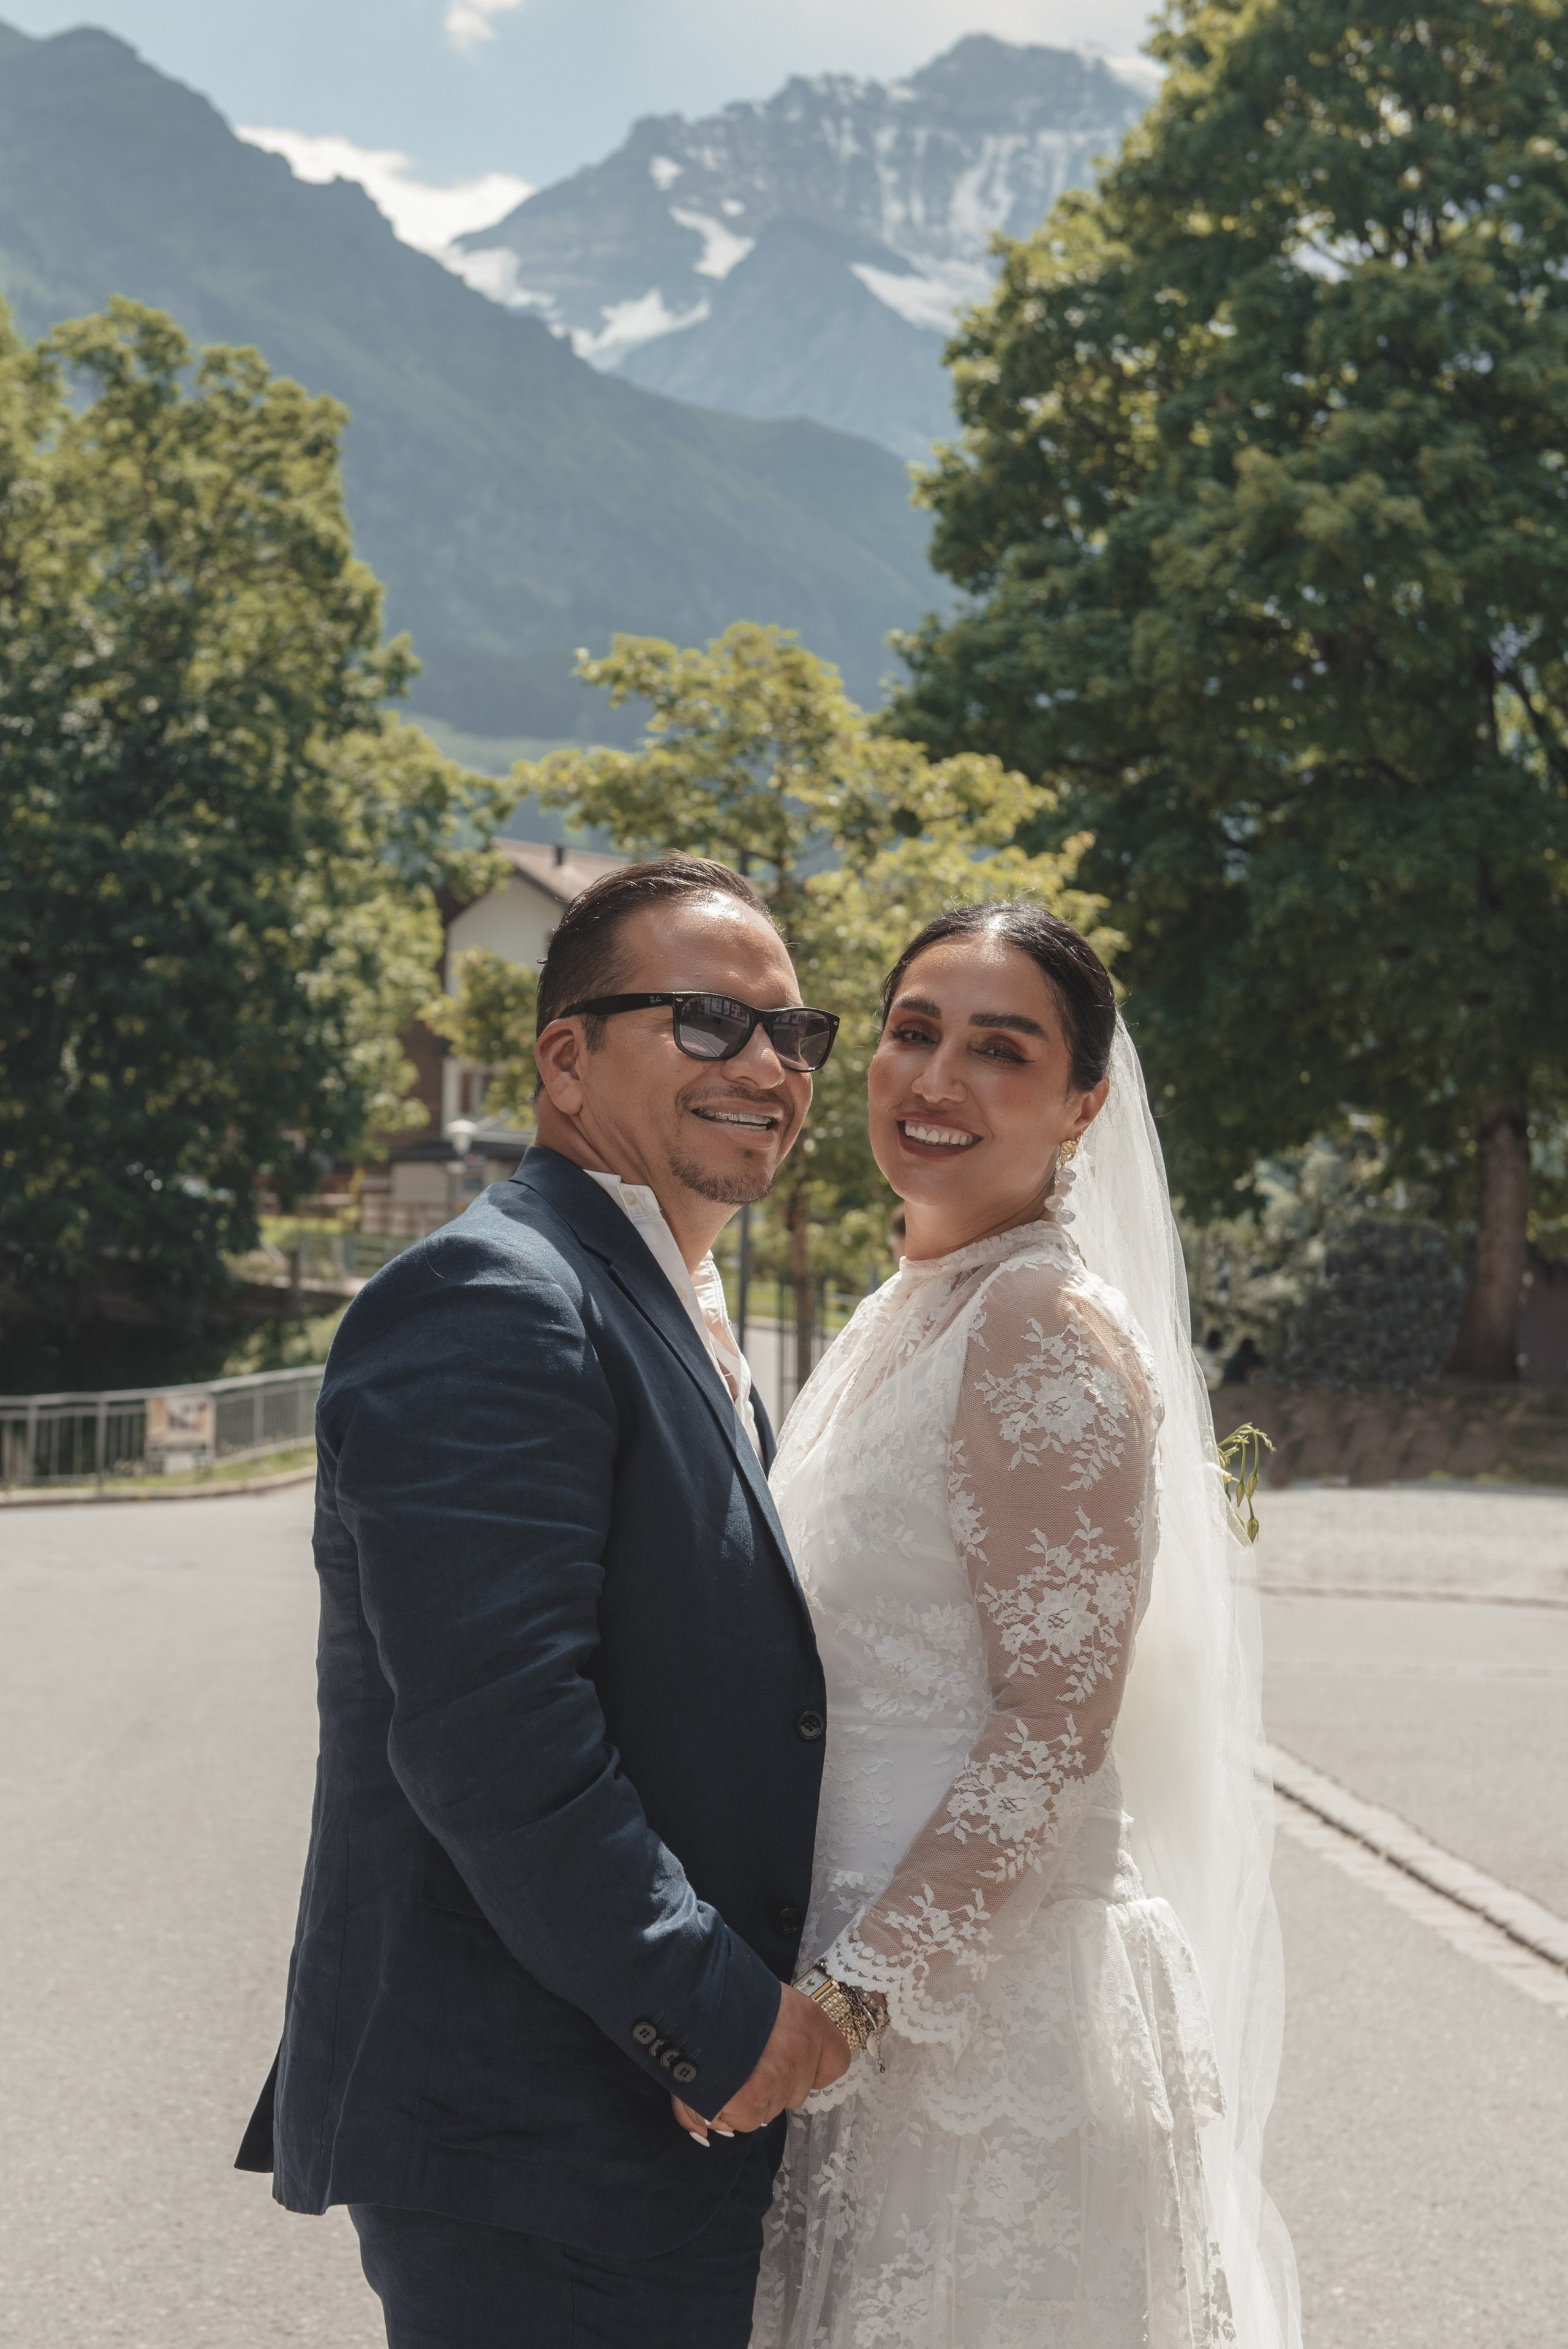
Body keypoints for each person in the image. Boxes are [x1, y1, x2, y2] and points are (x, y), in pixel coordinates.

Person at [236, 854, 856, 2349]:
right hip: (532, 2136)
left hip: (635, 2134)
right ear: (564, 1060)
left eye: (796, 1032)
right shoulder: (497, 1296)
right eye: (708, 1021)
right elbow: (495, 1737)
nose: (767, 1063)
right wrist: (721, 2021)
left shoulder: (668, 1301)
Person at [750, 903, 1301, 2349]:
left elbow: (1054, 1720)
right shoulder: (908, 1308)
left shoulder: (1040, 1326)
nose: (935, 1081)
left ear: (1081, 1106)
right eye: (912, 1028)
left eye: (999, 1051)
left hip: (980, 2031)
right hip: (855, 1992)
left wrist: (856, 2001)